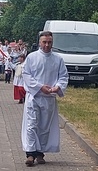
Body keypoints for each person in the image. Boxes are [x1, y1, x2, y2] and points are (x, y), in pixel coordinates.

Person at [21, 31, 68, 166]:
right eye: (44, 42)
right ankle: (30, 154)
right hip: (34, 96)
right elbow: (26, 75)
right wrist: (40, 87)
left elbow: (63, 76)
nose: (47, 45)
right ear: (39, 42)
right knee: (31, 124)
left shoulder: (58, 59)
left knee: (44, 126)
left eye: (49, 42)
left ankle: (40, 152)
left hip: (49, 98)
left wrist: (57, 87)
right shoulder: (32, 57)